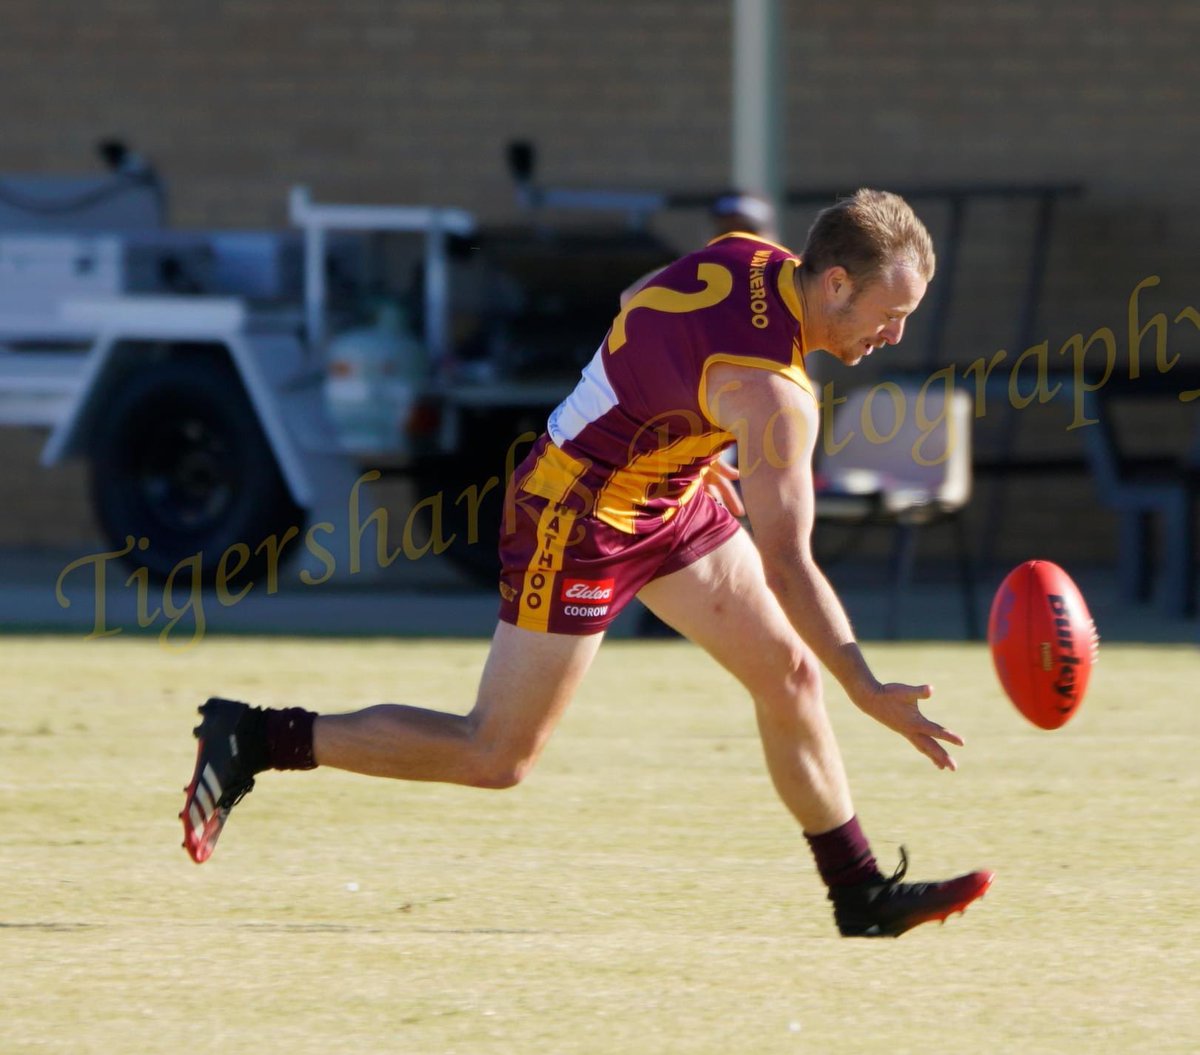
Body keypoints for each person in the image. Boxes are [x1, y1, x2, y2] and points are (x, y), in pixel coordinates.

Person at [181, 188, 993, 939]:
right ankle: (254, 736)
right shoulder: (777, 395)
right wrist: (866, 684)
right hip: (574, 516)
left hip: (664, 497)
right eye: (892, 314)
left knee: (786, 674)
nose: (895, 336)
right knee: (496, 754)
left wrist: (679, 425)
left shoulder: (749, 256)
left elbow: (638, 300)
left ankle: (860, 894)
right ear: (839, 284)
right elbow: (786, 560)